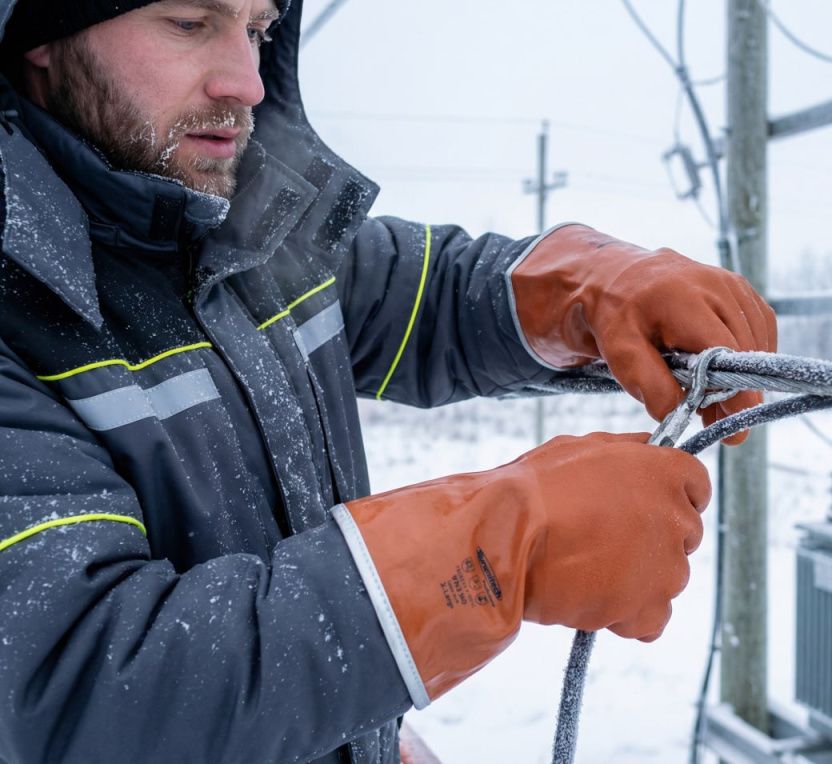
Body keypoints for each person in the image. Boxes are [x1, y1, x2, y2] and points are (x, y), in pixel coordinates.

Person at [0, 0, 776, 762]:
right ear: (41, 36)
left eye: (258, 29)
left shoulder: (237, 238)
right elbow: (84, 692)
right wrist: (494, 549)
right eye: (188, 22)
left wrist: (587, 286)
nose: (247, 81)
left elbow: (426, 295)